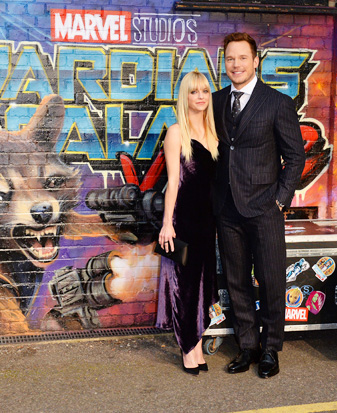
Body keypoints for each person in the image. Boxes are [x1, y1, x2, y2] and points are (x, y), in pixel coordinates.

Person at [212, 32, 306, 378]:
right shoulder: (217, 101)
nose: (235, 64)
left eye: (242, 58)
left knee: (270, 280)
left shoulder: (277, 103)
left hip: (266, 207)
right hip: (227, 208)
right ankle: (248, 346)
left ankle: (270, 349)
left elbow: (296, 157)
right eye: (230, 58)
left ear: (255, 61)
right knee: (236, 281)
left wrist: (280, 200)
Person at [156, 71, 219, 375]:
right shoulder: (176, 133)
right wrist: (167, 224)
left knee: (203, 285)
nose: (200, 96)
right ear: (186, 96)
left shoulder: (215, 133)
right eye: (194, 92)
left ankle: (197, 344)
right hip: (183, 221)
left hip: (208, 222)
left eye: (205, 91)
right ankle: (187, 348)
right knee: (185, 286)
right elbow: (173, 182)